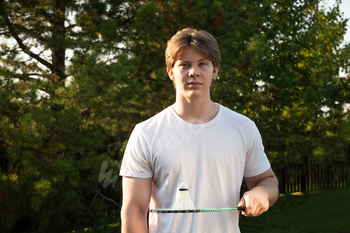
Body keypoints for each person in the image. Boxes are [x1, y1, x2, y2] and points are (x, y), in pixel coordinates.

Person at [119, 28, 279, 233]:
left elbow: (268, 181)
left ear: (215, 71)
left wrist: (262, 194)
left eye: (202, 63)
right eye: (184, 65)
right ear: (171, 72)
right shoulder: (145, 133)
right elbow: (134, 211)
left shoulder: (243, 127)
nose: (193, 72)